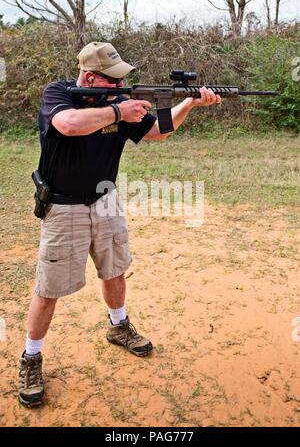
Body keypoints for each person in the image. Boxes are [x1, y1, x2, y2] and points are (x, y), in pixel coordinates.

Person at [18, 41, 221, 407]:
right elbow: (67, 124)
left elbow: (160, 129)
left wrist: (190, 101)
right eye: (112, 82)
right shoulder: (60, 93)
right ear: (90, 77)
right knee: (49, 289)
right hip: (64, 208)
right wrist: (118, 113)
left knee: (115, 270)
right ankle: (31, 357)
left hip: (105, 201)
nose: (120, 87)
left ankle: (118, 325)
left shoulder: (118, 105)